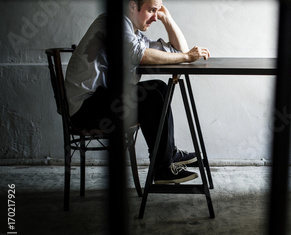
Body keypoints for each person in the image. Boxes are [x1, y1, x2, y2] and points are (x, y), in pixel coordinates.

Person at [65, 0, 210, 184]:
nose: (154, 17)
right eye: (151, 10)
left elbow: (178, 51)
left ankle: (168, 154)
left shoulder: (135, 34)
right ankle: (162, 168)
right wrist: (187, 56)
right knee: (152, 97)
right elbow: (139, 55)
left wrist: (167, 18)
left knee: (159, 87)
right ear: (133, 5)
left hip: (103, 102)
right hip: (86, 110)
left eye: (156, 12)